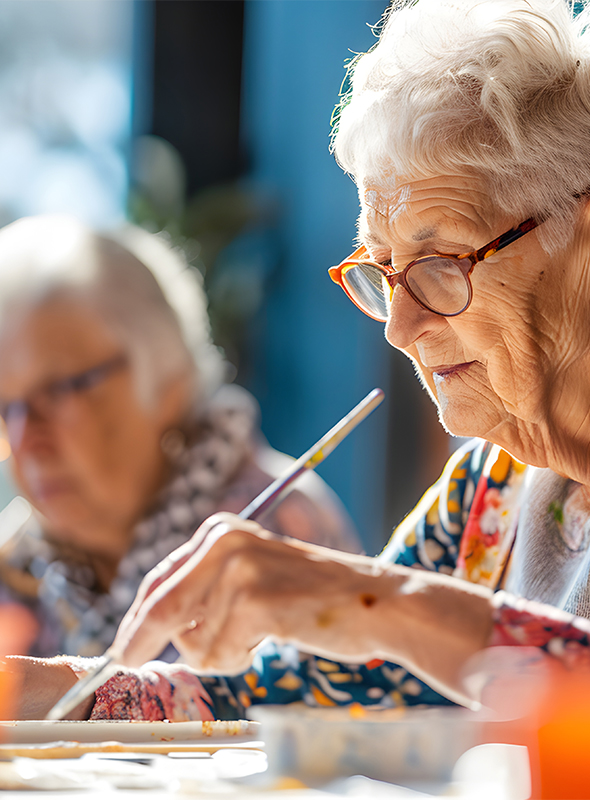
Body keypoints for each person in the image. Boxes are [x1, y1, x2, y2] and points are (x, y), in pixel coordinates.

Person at [12, 0, 590, 732]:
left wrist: (392, 606)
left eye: (440, 263)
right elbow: (302, 690)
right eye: (383, 271)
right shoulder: (492, 487)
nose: (400, 326)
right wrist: (53, 692)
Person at [0, 214, 360, 663]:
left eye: (61, 390)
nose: (26, 441)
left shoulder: (274, 534)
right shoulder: (18, 568)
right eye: (5, 408)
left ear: (166, 377)